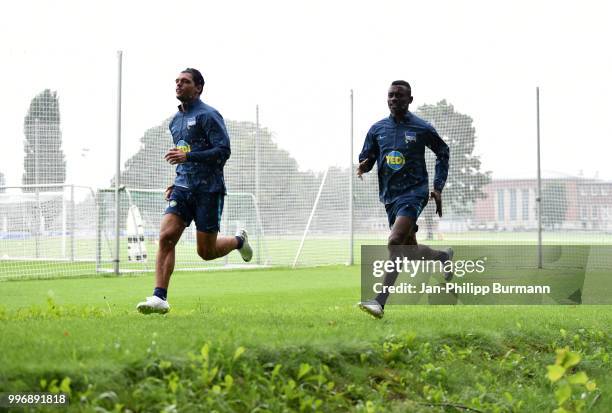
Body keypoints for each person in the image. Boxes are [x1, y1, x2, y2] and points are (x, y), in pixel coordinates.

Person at [137, 68, 252, 314]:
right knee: (166, 237)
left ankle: (239, 241)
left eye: (185, 82)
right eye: (176, 81)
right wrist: (178, 177)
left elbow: (223, 152)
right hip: (183, 189)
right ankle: (160, 298)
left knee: (206, 252)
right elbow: (184, 157)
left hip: (209, 190)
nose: (178, 85)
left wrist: (188, 157)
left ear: (198, 87)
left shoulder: (209, 116)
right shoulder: (174, 122)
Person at [357, 80, 452, 319]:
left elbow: (443, 151)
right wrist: (365, 165)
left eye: (399, 96)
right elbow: (366, 157)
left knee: (395, 241)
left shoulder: (422, 128)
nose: (394, 100)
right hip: (390, 197)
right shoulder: (377, 129)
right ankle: (442, 256)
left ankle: (380, 301)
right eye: (390, 95)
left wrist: (437, 188)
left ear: (410, 100)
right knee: (408, 251)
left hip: (415, 193)